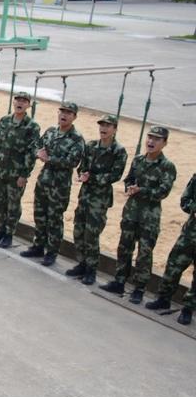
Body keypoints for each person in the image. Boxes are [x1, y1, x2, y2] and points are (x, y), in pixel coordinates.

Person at [100, 126, 177, 304]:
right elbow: (129, 179)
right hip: (131, 212)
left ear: (164, 143)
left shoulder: (167, 166)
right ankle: (119, 281)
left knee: (144, 254)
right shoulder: (138, 160)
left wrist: (141, 190)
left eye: (157, 139)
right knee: (124, 248)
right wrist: (129, 187)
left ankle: (139, 289)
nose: (151, 141)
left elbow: (163, 192)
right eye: (150, 137)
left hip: (149, 217)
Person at [20, 101, 85, 266]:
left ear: (74, 117)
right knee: (40, 216)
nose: (64, 115)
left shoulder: (76, 138)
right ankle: (38, 246)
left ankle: (51, 252)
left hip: (59, 186)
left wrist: (50, 159)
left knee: (54, 220)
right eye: (62, 111)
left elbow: (73, 161)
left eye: (68, 113)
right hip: (44, 181)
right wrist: (38, 152)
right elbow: (36, 146)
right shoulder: (50, 132)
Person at [66, 114, 128, 286]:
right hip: (85, 195)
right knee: (79, 230)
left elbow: (115, 175)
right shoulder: (91, 145)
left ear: (114, 129)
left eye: (108, 126)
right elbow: (82, 167)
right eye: (102, 125)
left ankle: (91, 269)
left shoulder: (118, 151)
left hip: (99, 199)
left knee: (91, 234)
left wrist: (91, 177)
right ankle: (82, 263)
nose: (104, 128)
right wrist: (82, 174)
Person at [0, 91, 40, 249]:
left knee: (13, 205)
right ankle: (1, 229)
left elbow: (31, 153)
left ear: (28, 105)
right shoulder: (4, 121)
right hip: (0, 170)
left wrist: (24, 175)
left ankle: (9, 234)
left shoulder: (32, 127)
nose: (20, 103)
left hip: (16, 174)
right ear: (13, 102)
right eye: (18, 100)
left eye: (24, 101)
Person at [145, 171, 195, 325]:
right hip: (189, 235)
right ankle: (163, 298)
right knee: (173, 265)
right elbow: (185, 200)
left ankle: (188, 308)